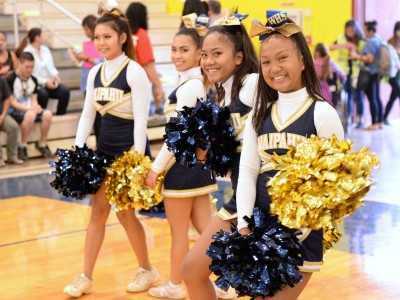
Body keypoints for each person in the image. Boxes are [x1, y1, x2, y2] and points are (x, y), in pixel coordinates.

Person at [234, 11, 344, 300]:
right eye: (266, 62)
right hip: (260, 226)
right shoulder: (259, 115)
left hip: (302, 234)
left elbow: (337, 185)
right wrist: (244, 225)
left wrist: (301, 226)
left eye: (283, 58)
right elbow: (247, 172)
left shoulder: (322, 113)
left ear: (303, 60)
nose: (274, 68)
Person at [63, 2, 159, 298]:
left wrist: (136, 162)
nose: (101, 42)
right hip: (102, 154)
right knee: (98, 214)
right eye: (97, 38)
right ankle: (86, 277)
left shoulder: (134, 72)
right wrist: (80, 152)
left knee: (126, 215)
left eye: (107, 36)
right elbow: (88, 115)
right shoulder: (95, 73)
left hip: (127, 155)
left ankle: (147, 269)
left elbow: (141, 121)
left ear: (122, 38)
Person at [181, 13, 259, 300]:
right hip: (239, 196)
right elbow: (225, 161)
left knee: (256, 287)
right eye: (204, 55)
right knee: (191, 270)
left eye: (217, 53)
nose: (208, 61)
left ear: (238, 57)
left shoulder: (251, 83)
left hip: (263, 200)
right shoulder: (216, 95)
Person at [144, 13, 218, 299]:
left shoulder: (189, 87)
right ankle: (226, 280)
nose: (177, 55)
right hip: (195, 167)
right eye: (174, 49)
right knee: (205, 229)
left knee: (179, 233)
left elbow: (177, 136)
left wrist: (156, 167)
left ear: (199, 54)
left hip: (180, 167)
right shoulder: (191, 84)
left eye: (184, 50)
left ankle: (176, 285)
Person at [6, 52, 53, 160]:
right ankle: (22, 146)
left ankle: (42, 144)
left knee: (48, 114)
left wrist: (36, 106)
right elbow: (12, 102)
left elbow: (34, 99)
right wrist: (29, 109)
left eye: (32, 67)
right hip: (14, 110)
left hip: (28, 108)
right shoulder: (11, 79)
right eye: (27, 67)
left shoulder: (34, 80)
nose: (29, 70)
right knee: (31, 114)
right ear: (20, 64)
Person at [15, 28, 70, 115]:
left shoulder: (45, 50)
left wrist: (55, 75)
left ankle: (60, 115)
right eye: (43, 35)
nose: (46, 37)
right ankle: (40, 116)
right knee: (43, 94)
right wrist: (45, 82)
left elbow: (51, 67)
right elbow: (30, 73)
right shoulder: (27, 52)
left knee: (64, 91)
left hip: (49, 82)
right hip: (36, 83)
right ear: (37, 37)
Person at [125, 2, 165, 114]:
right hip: (138, 82)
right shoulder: (141, 34)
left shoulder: (123, 33)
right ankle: (158, 108)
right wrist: (159, 87)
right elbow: (147, 64)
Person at [74, 14, 104, 145]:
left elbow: (101, 61)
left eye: (87, 29)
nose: (86, 32)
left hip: (100, 81)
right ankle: (97, 143)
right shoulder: (86, 44)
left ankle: (101, 143)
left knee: (100, 115)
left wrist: (85, 58)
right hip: (87, 80)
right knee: (90, 115)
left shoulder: (100, 43)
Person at [330, 19, 365, 128]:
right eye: (348, 30)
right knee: (347, 95)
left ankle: (360, 119)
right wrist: (345, 45)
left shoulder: (361, 40)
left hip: (357, 73)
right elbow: (330, 47)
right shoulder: (341, 38)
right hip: (344, 72)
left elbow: (364, 54)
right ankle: (348, 118)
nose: (350, 32)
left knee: (358, 96)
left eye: (352, 30)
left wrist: (354, 49)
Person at [350, 20, 383, 130]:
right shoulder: (378, 39)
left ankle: (374, 123)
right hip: (376, 72)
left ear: (370, 31)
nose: (364, 32)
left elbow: (369, 58)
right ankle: (379, 122)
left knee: (372, 98)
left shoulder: (371, 42)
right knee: (377, 98)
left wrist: (356, 56)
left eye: (365, 30)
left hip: (369, 72)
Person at [0, 76, 23, 166]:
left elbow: (7, 99)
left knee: (13, 126)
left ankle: (12, 156)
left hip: (2, 114)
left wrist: (3, 115)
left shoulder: (1, 80)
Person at [384, 21, 400, 125]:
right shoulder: (390, 42)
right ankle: (383, 118)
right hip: (392, 74)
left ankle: (383, 117)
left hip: (398, 75)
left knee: (393, 97)